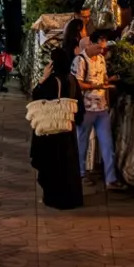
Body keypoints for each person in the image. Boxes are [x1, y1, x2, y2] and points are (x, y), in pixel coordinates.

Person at [27, 38, 84, 209]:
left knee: (53, 166)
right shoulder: (72, 80)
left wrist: (42, 79)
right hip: (68, 131)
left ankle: (54, 198)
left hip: (53, 133)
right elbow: (79, 107)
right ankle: (71, 199)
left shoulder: (52, 81)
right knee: (69, 167)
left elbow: (37, 96)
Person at [72, 25, 122, 189]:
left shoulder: (101, 60)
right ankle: (79, 174)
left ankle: (111, 179)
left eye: (103, 47)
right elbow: (77, 84)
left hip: (101, 108)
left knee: (107, 144)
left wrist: (110, 81)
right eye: (99, 47)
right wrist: (98, 86)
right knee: (82, 143)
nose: (102, 50)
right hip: (86, 109)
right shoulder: (80, 60)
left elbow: (104, 80)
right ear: (89, 44)